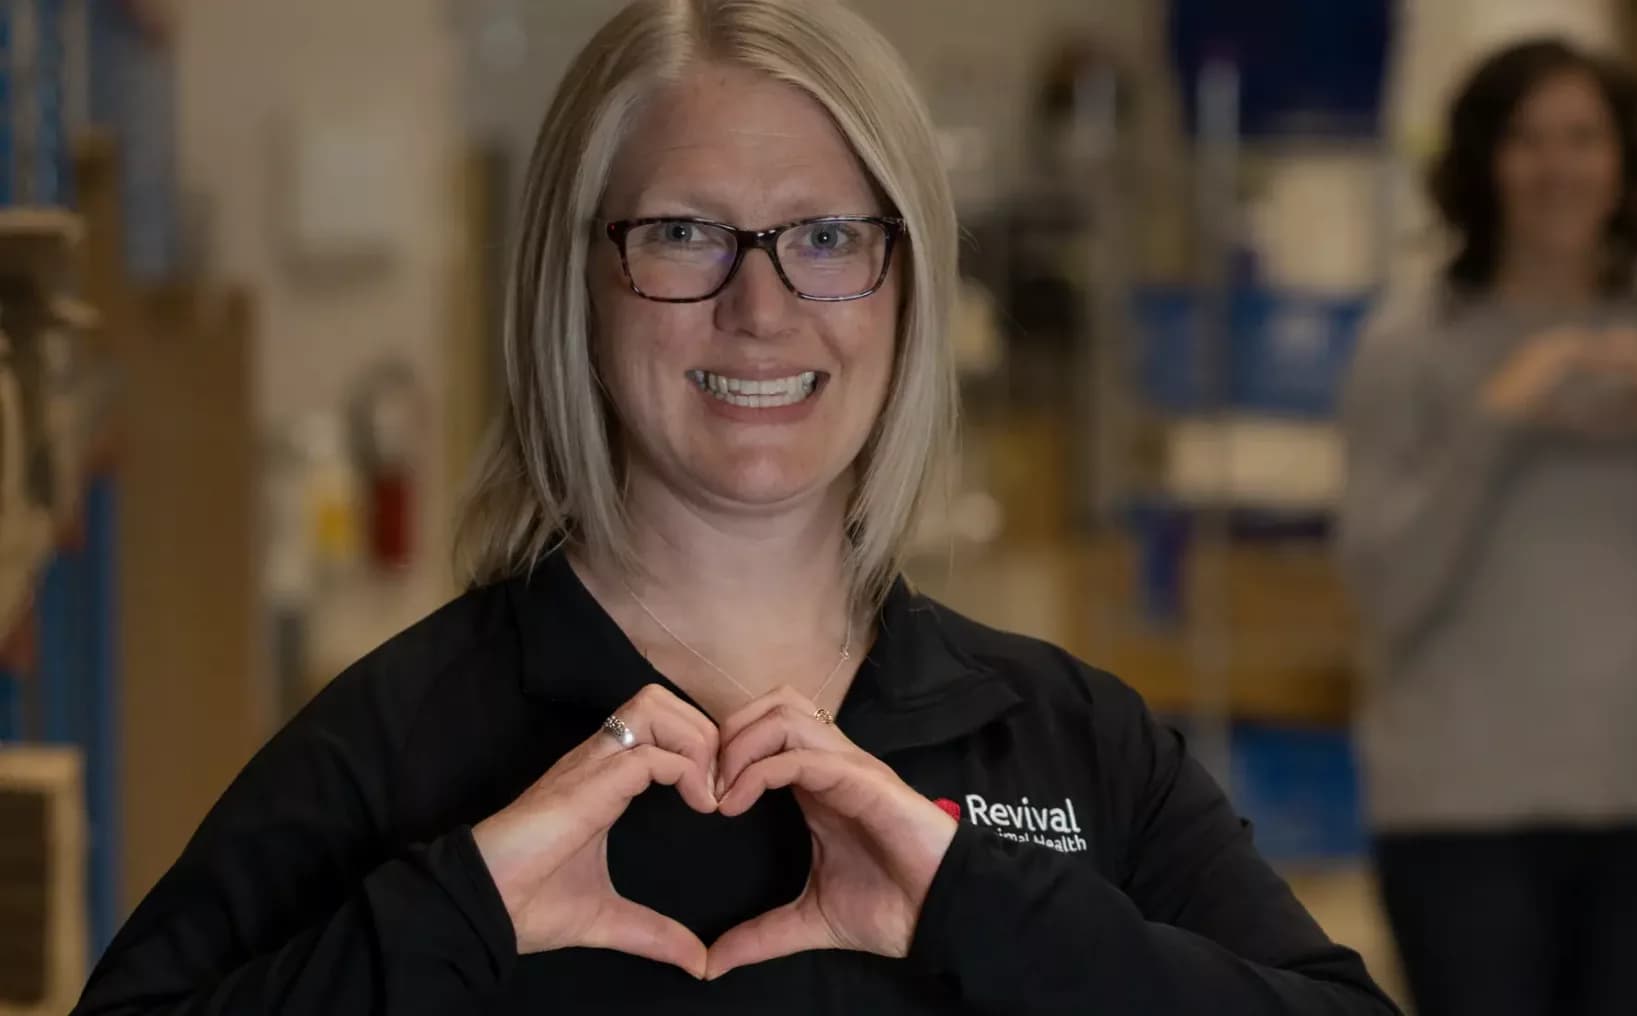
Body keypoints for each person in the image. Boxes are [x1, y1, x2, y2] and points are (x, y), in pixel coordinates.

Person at [73, 3, 1396, 1013]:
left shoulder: (1065, 741)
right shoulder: (410, 743)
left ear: (907, 287)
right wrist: (452, 913)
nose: (760, 310)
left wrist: (982, 913)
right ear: (574, 287)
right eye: (684, 233)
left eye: (826, 237)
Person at [1335, 38, 1637, 1016]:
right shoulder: (1409, 343)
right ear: (1483, 160)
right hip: (1458, 805)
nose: (1557, 167)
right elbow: (1382, 589)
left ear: (1623, 160)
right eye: (1527, 139)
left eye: (1583, 138)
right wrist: (1495, 418)